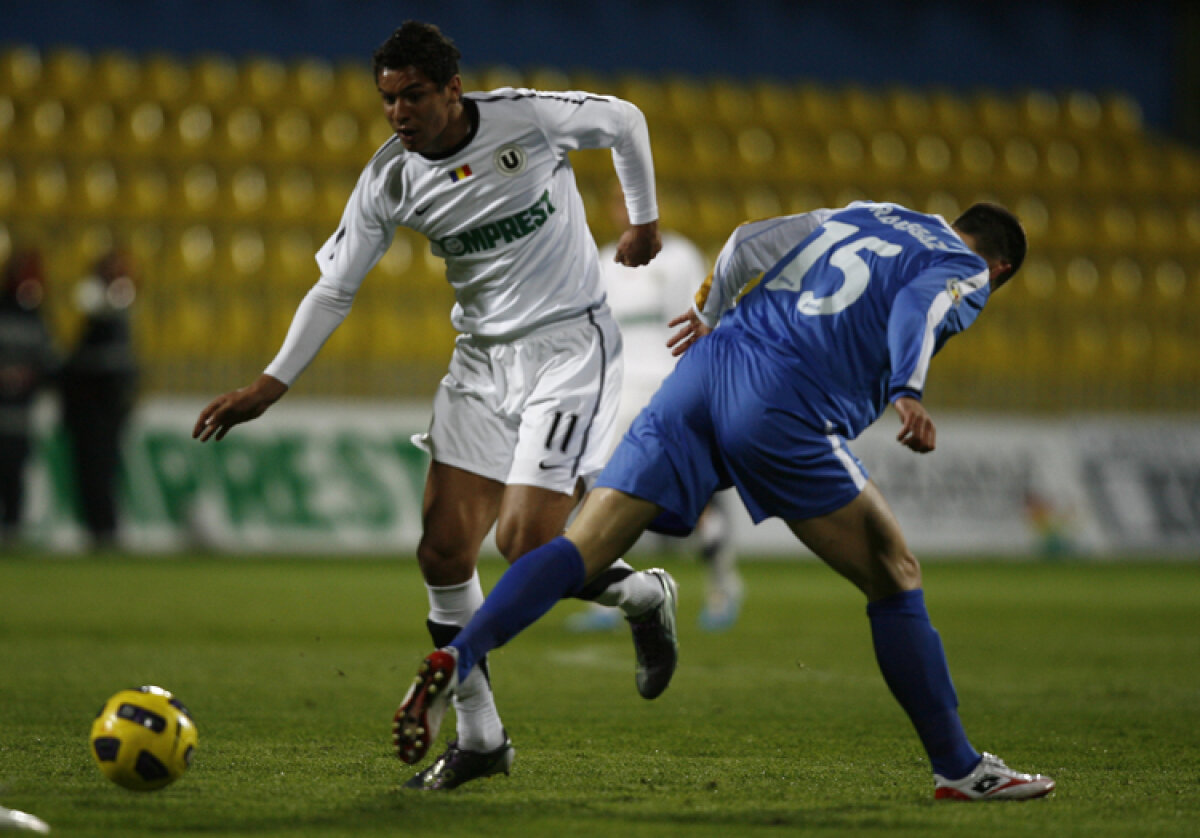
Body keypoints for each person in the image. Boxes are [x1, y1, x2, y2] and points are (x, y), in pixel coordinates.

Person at [395, 200, 1058, 801]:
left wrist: (708, 316)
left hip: (707, 369)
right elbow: (921, 305)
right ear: (1000, 268)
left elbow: (744, 239)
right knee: (895, 572)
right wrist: (908, 390)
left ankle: (459, 655)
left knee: (581, 545)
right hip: (785, 401)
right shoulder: (965, 266)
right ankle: (959, 768)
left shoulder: (870, 212)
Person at [192, 21, 679, 791]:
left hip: (568, 349)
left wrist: (642, 220)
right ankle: (481, 738)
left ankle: (645, 595)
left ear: (452, 89)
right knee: (443, 553)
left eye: (412, 95)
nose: (398, 113)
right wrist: (269, 383)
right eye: (387, 99)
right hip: (480, 363)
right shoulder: (390, 177)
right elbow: (335, 288)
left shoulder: (524, 118)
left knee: (526, 544)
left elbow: (624, 120)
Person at [568, 184, 742, 633]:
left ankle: (723, 586)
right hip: (619, 391)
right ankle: (609, 598)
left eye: (633, 201)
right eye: (617, 201)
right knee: (604, 491)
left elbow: (705, 320)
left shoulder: (679, 256)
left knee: (700, 497)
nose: (624, 209)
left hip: (670, 384)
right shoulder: (603, 262)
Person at [59, 248, 139, 552]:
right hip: (92, 408)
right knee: (92, 470)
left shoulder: (115, 315)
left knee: (103, 470)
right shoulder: (101, 312)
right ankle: (99, 529)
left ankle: (104, 528)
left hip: (106, 408)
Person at [0, 249, 58, 549]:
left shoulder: (37, 318)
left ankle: (12, 531)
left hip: (19, 415)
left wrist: (29, 377)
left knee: (13, 472)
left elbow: (50, 364)